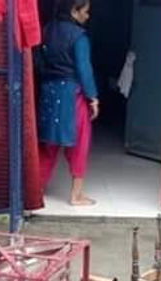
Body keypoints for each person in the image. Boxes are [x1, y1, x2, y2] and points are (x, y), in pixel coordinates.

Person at [36, 0, 98, 206]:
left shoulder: (46, 30)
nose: (87, 16)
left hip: (48, 91)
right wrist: (93, 97)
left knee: (48, 144)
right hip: (71, 94)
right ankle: (76, 195)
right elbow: (84, 68)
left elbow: (38, 61)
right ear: (74, 11)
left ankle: (35, 191)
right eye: (85, 12)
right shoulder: (79, 36)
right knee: (80, 143)